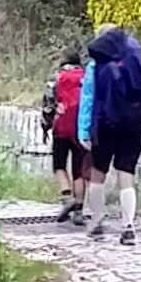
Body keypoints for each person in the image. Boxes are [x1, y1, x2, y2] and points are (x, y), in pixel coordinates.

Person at [78, 26, 141, 245]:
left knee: (98, 174)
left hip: (105, 125)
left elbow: (88, 99)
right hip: (133, 125)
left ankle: (96, 222)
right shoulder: (133, 58)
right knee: (127, 175)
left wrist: (84, 130)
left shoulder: (96, 64)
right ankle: (128, 226)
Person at [45, 47, 89, 222]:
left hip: (61, 127)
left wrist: (47, 125)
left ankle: (67, 196)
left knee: (59, 165)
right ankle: (78, 210)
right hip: (80, 128)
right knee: (79, 170)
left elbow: (48, 107)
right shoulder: (86, 78)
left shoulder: (55, 80)